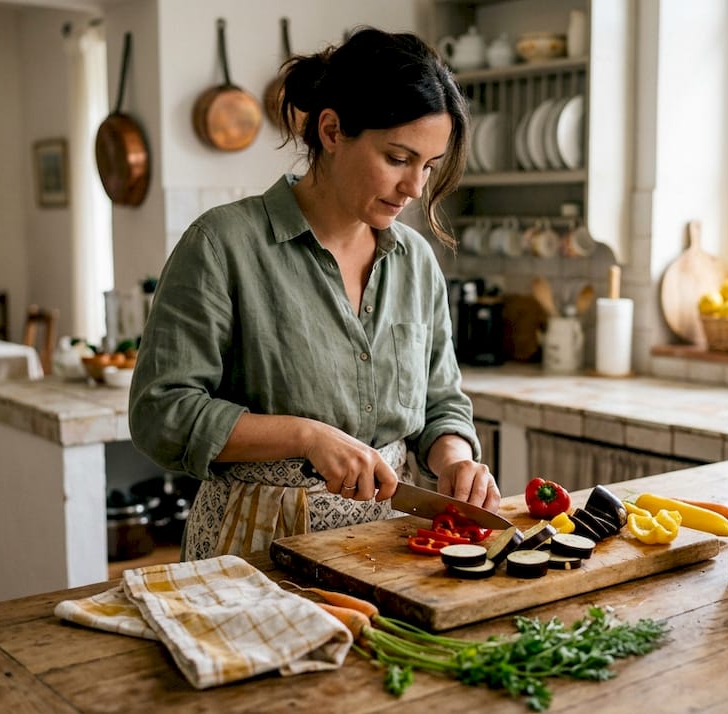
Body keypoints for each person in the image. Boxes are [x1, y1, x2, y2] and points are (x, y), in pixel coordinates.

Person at [129, 28, 499, 563]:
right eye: (398, 158)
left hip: (391, 542)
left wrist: (455, 460)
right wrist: (305, 436)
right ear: (331, 130)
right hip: (254, 546)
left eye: (429, 166)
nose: (415, 188)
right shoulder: (222, 244)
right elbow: (159, 413)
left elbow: (440, 403)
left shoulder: (416, 261)